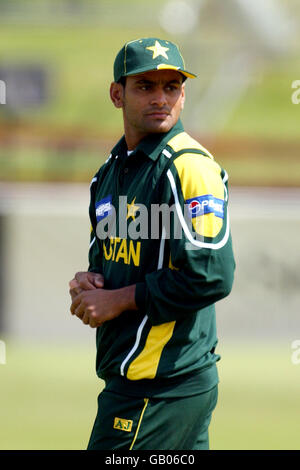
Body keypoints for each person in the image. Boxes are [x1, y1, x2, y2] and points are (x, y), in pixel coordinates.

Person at [69, 37, 235, 450]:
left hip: (161, 389)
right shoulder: (107, 175)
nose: (161, 98)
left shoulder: (188, 167)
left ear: (183, 94)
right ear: (116, 94)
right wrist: (90, 284)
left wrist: (121, 299)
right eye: (145, 86)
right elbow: (110, 263)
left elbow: (211, 275)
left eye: (171, 87)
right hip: (137, 385)